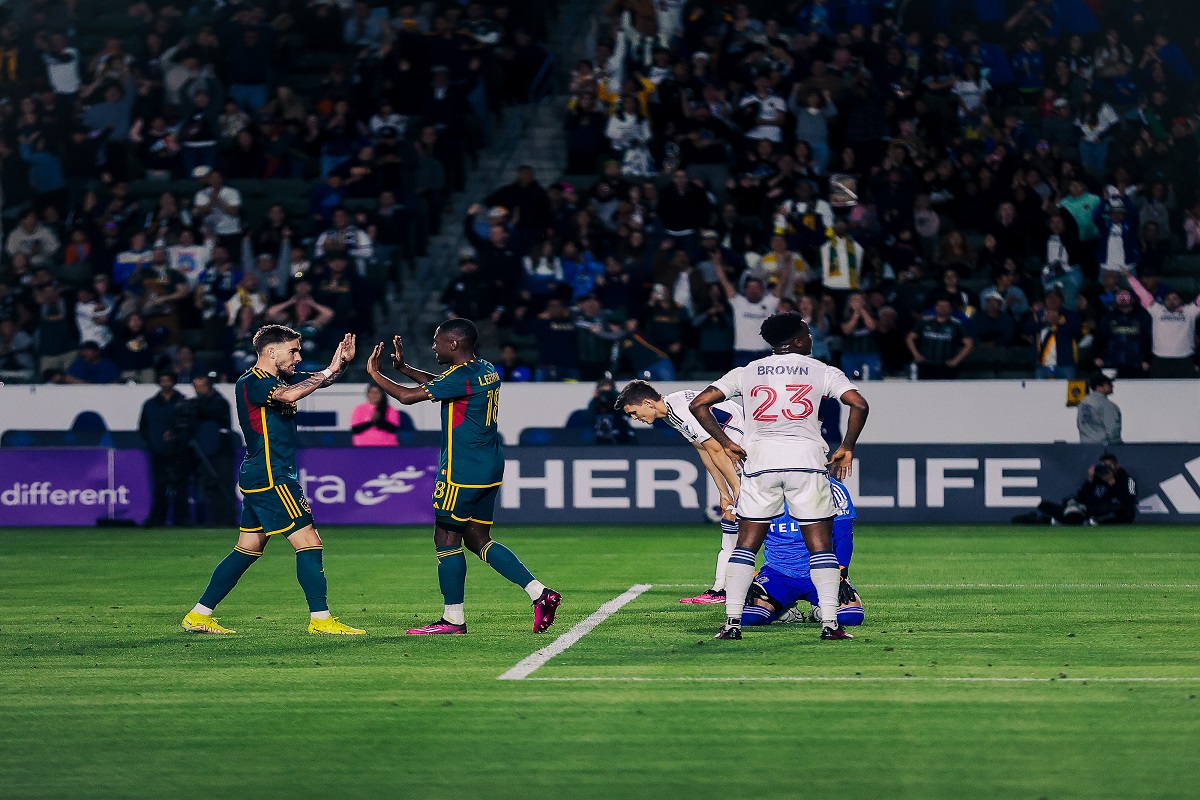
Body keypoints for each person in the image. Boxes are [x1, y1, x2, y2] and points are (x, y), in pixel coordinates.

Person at [365, 323, 561, 635]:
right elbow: (440, 384)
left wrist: (375, 374)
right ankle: (540, 593)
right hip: (489, 465)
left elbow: (406, 398)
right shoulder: (483, 368)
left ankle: (453, 618)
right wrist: (403, 368)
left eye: (437, 342)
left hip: (462, 470)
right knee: (478, 539)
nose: (433, 347)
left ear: (454, 345)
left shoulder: (461, 376)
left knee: (446, 538)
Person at [689, 312, 869, 641]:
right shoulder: (821, 370)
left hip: (760, 462)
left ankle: (731, 624)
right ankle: (830, 624)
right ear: (799, 340)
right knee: (820, 546)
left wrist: (728, 443)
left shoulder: (747, 371)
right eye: (807, 332)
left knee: (745, 545)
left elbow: (700, 404)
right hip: (806, 461)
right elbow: (858, 404)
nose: (811, 337)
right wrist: (847, 446)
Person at [181, 326, 365, 636]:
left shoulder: (276, 379)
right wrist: (328, 370)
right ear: (271, 352)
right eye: (293, 351)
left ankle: (199, 614)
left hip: (263, 473)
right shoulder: (253, 382)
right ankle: (321, 619)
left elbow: (315, 382)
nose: (298, 356)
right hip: (272, 475)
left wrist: (339, 364)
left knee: (248, 547)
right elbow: (291, 394)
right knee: (309, 542)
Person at [617, 379, 745, 605]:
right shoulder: (673, 410)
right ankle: (721, 588)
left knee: (758, 526)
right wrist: (723, 492)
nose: (634, 418)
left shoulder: (681, 411)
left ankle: (738, 588)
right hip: (743, 452)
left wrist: (737, 489)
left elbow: (716, 448)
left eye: (634, 412)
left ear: (648, 402)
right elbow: (704, 449)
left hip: (750, 452)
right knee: (733, 525)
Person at [742, 477, 863, 629]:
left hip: (823, 570)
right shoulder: (761, 490)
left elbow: (843, 537)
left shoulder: (832, 489)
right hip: (778, 573)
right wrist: (746, 577)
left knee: (851, 616)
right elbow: (744, 541)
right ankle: (785, 608)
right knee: (749, 617)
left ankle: (818, 609)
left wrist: (840, 572)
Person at [1123, 268, 1200, 378]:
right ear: (1163, 301)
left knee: (1186, 389)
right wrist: (1129, 277)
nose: (1171, 301)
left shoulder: (1190, 311)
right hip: (1160, 359)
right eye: (1168, 299)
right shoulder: (1157, 310)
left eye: (1174, 298)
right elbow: (1142, 292)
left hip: (1184, 359)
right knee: (1157, 389)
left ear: (1181, 301)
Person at [1021, 454, 1137, 526]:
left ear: (1117, 466)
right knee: (1049, 505)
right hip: (1089, 510)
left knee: (1121, 512)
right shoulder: (1097, 478)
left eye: (1110, 466)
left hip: (1111, 510)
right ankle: (1078, 521)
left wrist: (1112, 482)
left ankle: (1056, 521)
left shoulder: (1127, 479)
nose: (1107, 469)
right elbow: (1081, 497)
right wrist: (1090, 480)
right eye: (1104, 466)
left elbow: (1128, 502)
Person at [139, 371, 190, 527]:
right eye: (162, 380)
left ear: (173, 382)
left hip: (180, 450)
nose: (165, 383)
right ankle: (158, 518)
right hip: (157, 450)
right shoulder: (150, 404)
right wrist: (153, 442)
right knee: (159, 485)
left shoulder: (183, 402)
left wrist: (177, 436)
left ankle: (181, 519)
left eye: (168, 380)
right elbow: (143, 427)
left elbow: (189, 425)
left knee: (180, 485)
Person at [190, 372, 236, 527]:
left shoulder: (219, 402)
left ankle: (228, 518)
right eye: (195, 387)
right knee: (209, 485)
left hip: (221, 450)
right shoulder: (197, 403)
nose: (197, 390)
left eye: (200, 386)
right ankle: (214, 517)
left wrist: (196, 406)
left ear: (208, 386)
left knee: (224, 484)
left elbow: (213, 412)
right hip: (205, 448)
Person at [907, 298, 974, 379]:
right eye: (940, 305)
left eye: (946, 306)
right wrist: (916, 354)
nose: (942, 308)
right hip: (926, 364)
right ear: (935, 307)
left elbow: (969, 344)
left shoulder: (957, 324)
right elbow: (910, 338)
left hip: (946, 366)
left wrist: (956, 360)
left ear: (951, 309)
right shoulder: (924, 321)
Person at [1077, 374, 1122, 445]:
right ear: (1099, 387)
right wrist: (1118, 446)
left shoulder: (1083, 403)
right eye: (1109, 384)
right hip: (1104, 448)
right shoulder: (1105, 404)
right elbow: (1113, 429)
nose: (1112, 386)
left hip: (1085, 445)